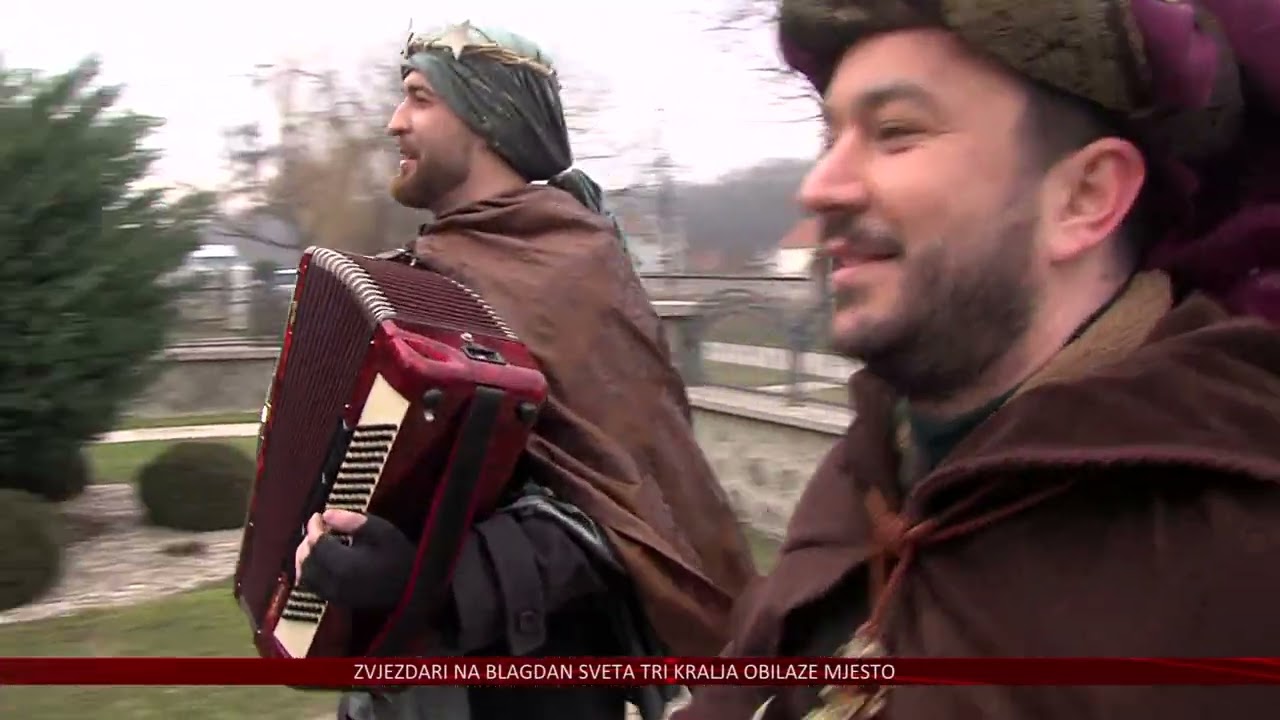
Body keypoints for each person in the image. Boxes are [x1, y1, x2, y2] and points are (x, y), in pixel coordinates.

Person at [671, 1, 1280, 719]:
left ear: (1084, 197)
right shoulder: (874, 466)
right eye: (831, 136)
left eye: (895, 133)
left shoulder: (1238, 552)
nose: (818, 187)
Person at [291, 20, 757, 720]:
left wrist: (427, 577)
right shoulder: (426, 274)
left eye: (419, 97)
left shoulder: (573, 271)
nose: (394, 122)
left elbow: (622, 511)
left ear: (487, 114)